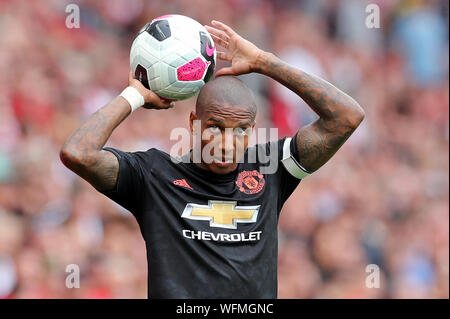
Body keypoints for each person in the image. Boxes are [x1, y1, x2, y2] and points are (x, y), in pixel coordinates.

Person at [60, 20, 365, 298]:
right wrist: (134, 94)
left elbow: (347, 116)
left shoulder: (271, 168)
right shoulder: (153, 176)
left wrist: (264, 62)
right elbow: (78, 153)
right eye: (215, 127)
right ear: (194, 124)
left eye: (240, 131)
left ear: (252, 131)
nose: (226, 142)